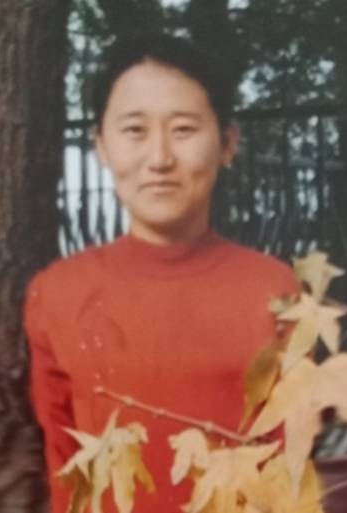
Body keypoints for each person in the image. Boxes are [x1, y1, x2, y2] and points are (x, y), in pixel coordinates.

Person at [25, 34, 298, 513]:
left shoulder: (274, 290)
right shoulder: (58, 294)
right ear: (101, 145)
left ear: (227, 143)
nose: (159, 159)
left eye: (184, 129)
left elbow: (287, 466)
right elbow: (64, 466)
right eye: (134, 130)